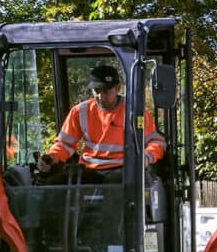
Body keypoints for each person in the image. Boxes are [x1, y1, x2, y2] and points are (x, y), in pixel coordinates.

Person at [38, 63, 166, 180]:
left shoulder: (135, 111)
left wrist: (146, 157)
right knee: (53, 185)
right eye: (97, 91)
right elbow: (64, 144)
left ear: (118, 88)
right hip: (89, 170)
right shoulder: (80, 111)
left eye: (106, 91)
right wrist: (52, 157)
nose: (101, 96)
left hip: (123, 169)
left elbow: (156, 142)